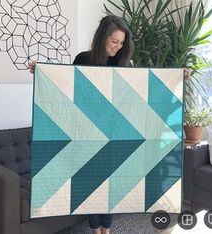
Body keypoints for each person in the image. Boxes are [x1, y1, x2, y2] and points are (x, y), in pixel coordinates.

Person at [29, 14, 134, 234]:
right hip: (85, 133)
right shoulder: (84, 59)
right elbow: (65, 86)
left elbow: (138, 94)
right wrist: (42, 72)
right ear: (103, 37)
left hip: (115, 134)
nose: (118, 46)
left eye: (122, 42)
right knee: (91, 184)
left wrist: (179, 77)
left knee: (110, 186)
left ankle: (107, 229)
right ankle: (96, 230)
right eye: (114, 40)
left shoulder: (126, 64)